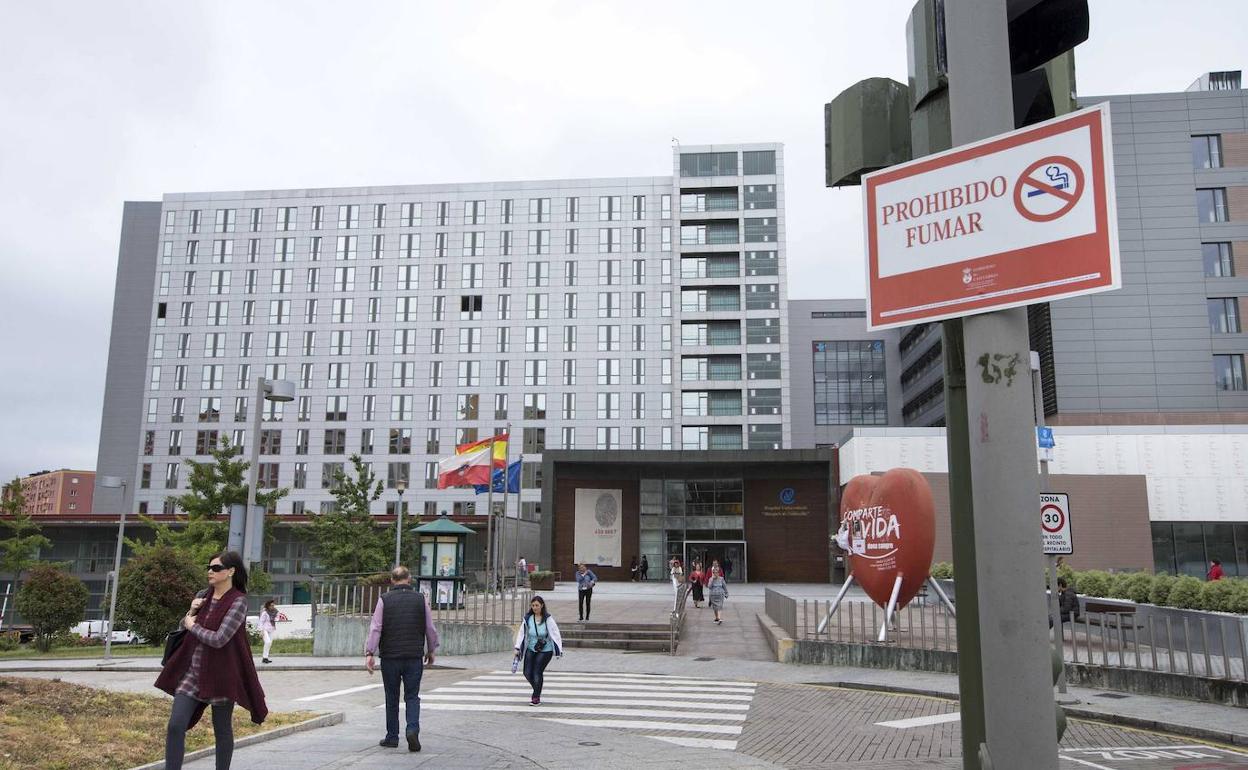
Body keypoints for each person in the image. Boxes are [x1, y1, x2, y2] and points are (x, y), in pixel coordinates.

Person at [156, 551, 268, 770]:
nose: (210, 571)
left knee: (222, 729)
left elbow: (219, 639)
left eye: (216, 568)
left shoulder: (238, 602)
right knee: (176, 725)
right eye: (208, 567)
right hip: (192, 673)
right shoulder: (202, 595)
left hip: (221, 675)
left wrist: (192, 625)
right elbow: (183, 627)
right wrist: (192, 610)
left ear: (231, 572)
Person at [364, 565, 439, 753]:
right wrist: (431, 650)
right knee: (412, 695)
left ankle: (392, 737)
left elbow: (376, 628)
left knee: (392, 696)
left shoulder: (384, 600)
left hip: (390, 657)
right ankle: (412, 729)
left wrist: (369, 653)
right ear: (409, 578)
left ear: (392, 580)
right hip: (414, 656)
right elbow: (429, 627)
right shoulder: (420, 599)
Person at [513, 596, 563, 705]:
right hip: (531, 647)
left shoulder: (548, 619)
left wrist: (559, 649)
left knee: (537, 671)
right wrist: (517, 647)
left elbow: (555, 633)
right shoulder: (528, 619)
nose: (535, 607)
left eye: (537, 605)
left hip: (546, 649)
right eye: (533, 605)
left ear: (542, 606)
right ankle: (537, 688)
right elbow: (522, 633)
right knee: (527, 672)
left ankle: (536, 697)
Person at [258, 599, 278, 664]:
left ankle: (265, 658)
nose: (273, 607)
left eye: (273, 605)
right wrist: (261, 631)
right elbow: (261, 622)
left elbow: (277, 618)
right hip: (265, 629)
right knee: (267, 642)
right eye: (271, 605)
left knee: (269, 643)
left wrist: (277, 619)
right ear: (268, 606)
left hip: (272, 629)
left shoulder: (275, 612)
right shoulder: (265, 612)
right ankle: (264, 657)